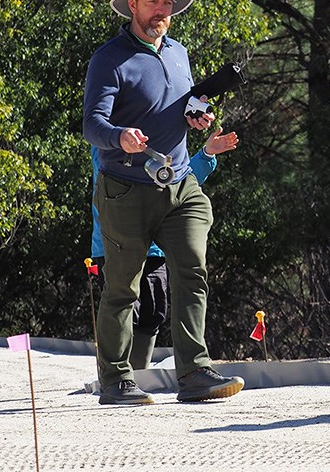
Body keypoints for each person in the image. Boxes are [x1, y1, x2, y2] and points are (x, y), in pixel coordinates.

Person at [83, 0, 245, 405]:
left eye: (168, 3)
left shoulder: (179, 53)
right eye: (153, 2)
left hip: (179, 183)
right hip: (125, 189)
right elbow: (92, 125)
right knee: (123, 288)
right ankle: (116, 381)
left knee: (193, 269)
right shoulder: (109, 58)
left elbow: (181, 108)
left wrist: (197, 117)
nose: (162, 10)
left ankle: (193, 373)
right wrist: (119, 136)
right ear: (132, 5)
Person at [89, 125, 239, 371]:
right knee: (126, 305)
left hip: (155, 248)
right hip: (117, 241)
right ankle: (115, 375)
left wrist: (207, 154)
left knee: (153, 311)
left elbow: (180, 183)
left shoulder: (164, 144)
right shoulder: (110, 148)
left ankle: (140, 374)